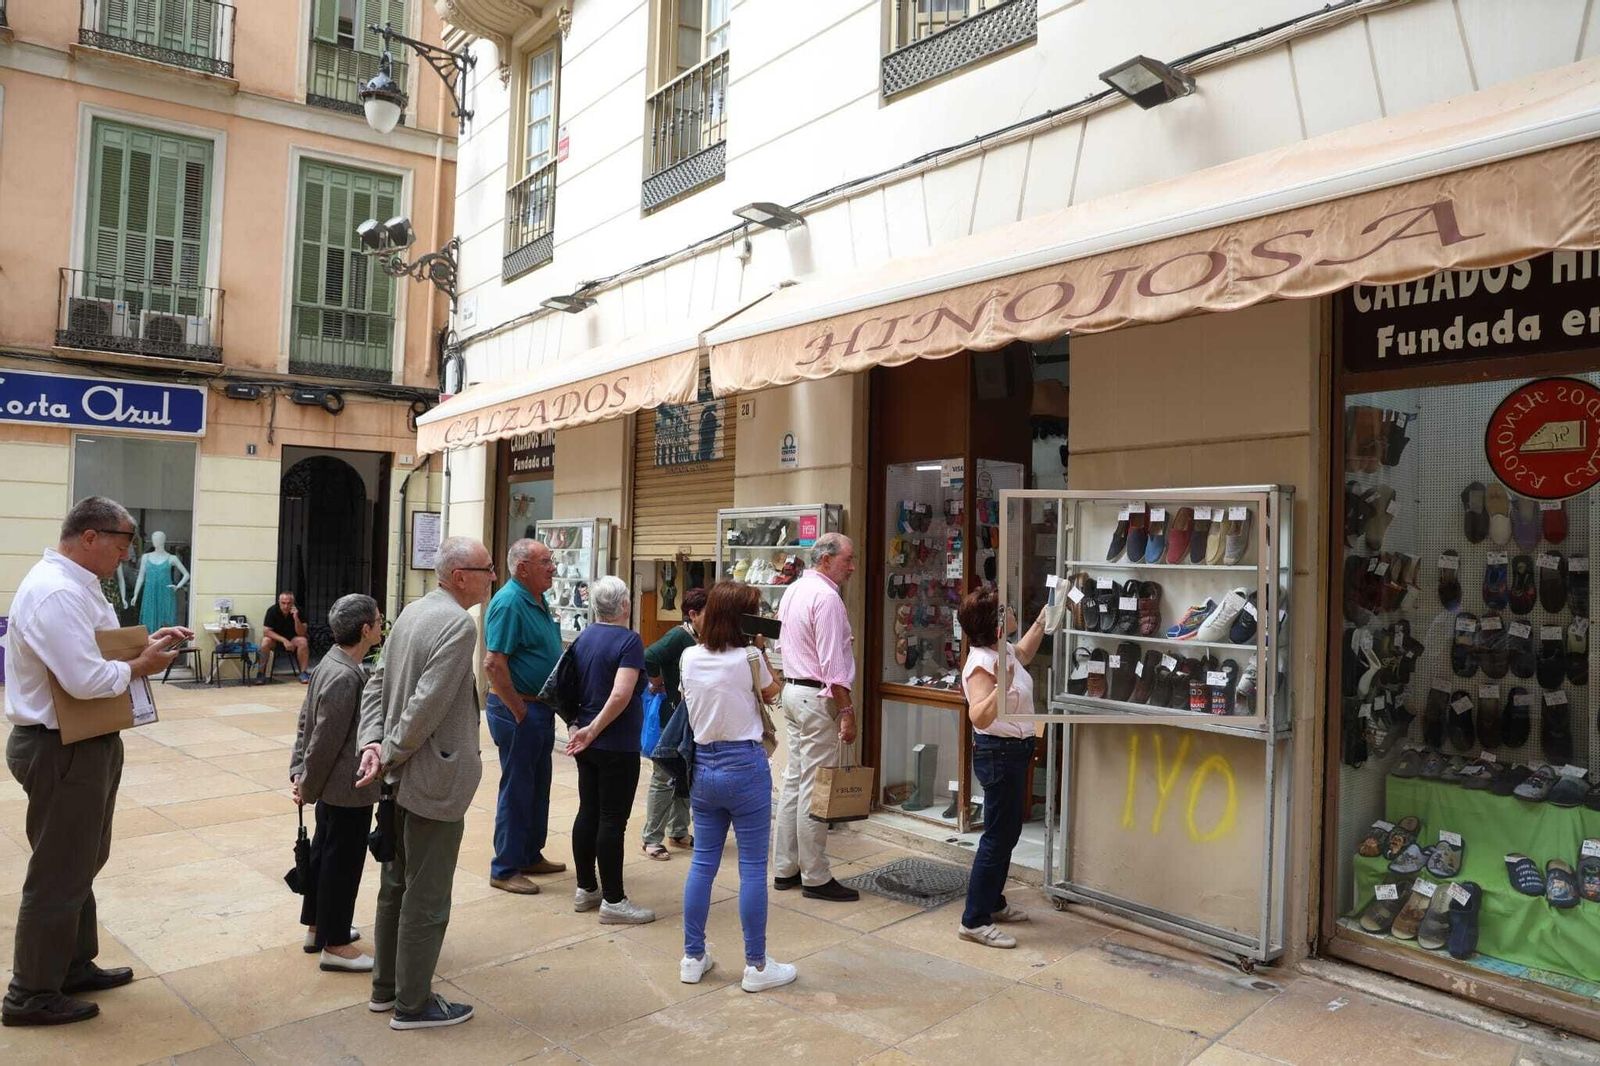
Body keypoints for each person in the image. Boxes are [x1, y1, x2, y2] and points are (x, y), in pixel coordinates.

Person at [3, 496, 190, 1026]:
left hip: (84, 740)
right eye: (125, 541)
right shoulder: (56, 593)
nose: (129, 554)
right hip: (62, 744)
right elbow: (85, 680)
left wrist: (145, 646)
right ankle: (31, 994)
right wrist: (142, 666)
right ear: (89, 537)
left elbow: (97, 654)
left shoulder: (78, 587)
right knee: (59, 871)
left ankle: (71, 964)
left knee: (82, 859)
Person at [355, 536, 492, 1031]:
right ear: (460, 576)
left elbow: (375, 682)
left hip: (401, 775)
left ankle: (385, 989)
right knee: (426, 897)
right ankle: (413, 1005)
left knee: (396, 885)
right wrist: (386, 751)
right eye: (485, 569)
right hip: (430, 777)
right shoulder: (457, 624)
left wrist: (374, 745)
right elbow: (425, 707)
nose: (492, 576)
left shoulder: (413, 611)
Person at [677, 582, 799, 992]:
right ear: (741, 618)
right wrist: (761, 648)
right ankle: (756, 966)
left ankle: (692, 957)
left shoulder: (688, 656)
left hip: (704, 766)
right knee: (750, 870)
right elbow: (773, 694)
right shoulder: (750, 657)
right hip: (745, 766)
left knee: (703, 865)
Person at [289, 593, 384, 973]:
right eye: (378, 620)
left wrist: (299, 771)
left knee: (324, 855)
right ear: (365, 629)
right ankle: (336, 944)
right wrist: (306, 784)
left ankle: (319, 927)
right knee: (342, 864)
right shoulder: (346, 675)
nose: (381, 624)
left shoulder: (330, 663)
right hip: (346, 788)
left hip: (332, 786)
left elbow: (304, 725)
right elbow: (324, 740)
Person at [954, 587, 1046, 949]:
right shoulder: (981, 663)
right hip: (999, 754)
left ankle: (993, 902)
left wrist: (1043, 619)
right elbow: (978, 714)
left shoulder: (1003, 649)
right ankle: (974, 920)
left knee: (1007, 835)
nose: (1011, 612)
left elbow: (1023, 652)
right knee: (996, 838)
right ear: (994, 626)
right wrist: (1000, 688)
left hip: (1014, 752)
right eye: (1004, 610)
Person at [772, 532, 859, 902]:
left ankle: (785, 867)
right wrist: (847, 711)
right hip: (814, 696)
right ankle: (815, 875)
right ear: (826, 560)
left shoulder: (794, 589)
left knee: (795, 780)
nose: (852, 567)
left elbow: (780, 640)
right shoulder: (826, 597)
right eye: (847, 560)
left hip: (794, 692)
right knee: (814, 785)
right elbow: (832, 665)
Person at [563, 576, 653, 925]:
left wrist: (579, 728)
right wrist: (593, 730)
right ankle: (614, 900)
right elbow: (621, 694)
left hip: (587, 741)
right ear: (625, 605)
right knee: (612, 819)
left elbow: (568, 684)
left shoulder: (584, 636)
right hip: (614, 743)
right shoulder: (629, 641)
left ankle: (586, 888)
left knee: (589, 811)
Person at [482, 538, 568, 894]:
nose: (553, 568)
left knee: (537, 786)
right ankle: (504, 868)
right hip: (519, 709)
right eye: (546, 562)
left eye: (552, 561)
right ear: (522, 568)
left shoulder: (536, 598)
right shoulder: (509, 603)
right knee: (518, 789)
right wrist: (519, 709)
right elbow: (493, 663)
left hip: (538, 708)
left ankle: (529, 853)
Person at [640, 586, 707, 860]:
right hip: (672, 718)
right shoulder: (678, 636)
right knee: (664, 776)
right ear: (693, 614)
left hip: (692, 718)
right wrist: (658, 683)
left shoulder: (701, 637)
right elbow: (648, 656)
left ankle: (678, 830)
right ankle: (651, 838)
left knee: (685, 773)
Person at [261, 590, 311, 683]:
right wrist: (284, 640)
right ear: (279, 602)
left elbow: (302, 633)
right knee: (265, 642)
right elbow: (266, 631)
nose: (286, 606)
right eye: (283, 603)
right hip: (276, 640)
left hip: (293, 639)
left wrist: (296, 618)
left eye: (289, 603)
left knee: (303, 641)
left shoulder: (299, 611)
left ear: (293, 603)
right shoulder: (272, 611)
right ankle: (260, 674)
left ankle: (303, 672)